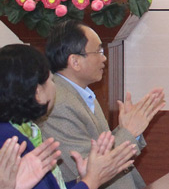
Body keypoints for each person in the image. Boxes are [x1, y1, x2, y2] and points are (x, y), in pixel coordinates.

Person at [40, 20, 165, 189]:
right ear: (75, 61)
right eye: (98, 51)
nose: (104, 57)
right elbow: (92, 167)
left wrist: (128, 131)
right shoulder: (58, 104)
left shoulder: (80, 92)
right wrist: (129, 132)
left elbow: (100, 148)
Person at [0, 44, 136, 189]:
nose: (55, 87)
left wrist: (82, 180)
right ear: (38, 92)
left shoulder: (22, 129)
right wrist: (91, 182)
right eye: (51, 80)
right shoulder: (10, 143)